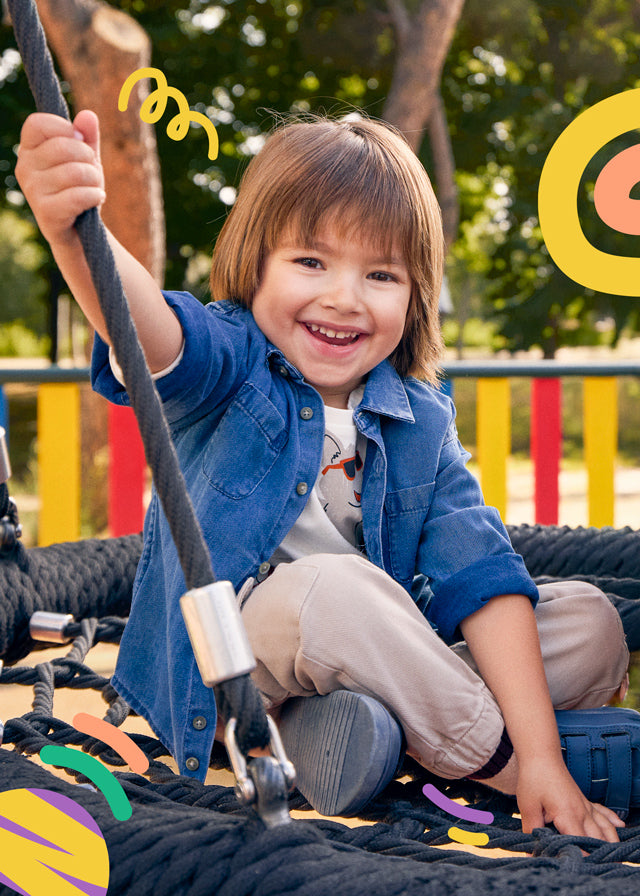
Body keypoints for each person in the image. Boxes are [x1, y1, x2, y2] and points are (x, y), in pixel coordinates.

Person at [16, 109, 637, 842]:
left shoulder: (420, 418)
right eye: (311, 262)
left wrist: (542, 744)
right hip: (236, 666)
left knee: (589, 624)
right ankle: (493, 767)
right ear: (256, 265)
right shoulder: (233, 363)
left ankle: (355, 734)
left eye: (380, 274)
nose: (344, 297)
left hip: (377, 656)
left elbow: (480, 571)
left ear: (414, 299)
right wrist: (74, 233)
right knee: (335, 590)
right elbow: (152, 334)